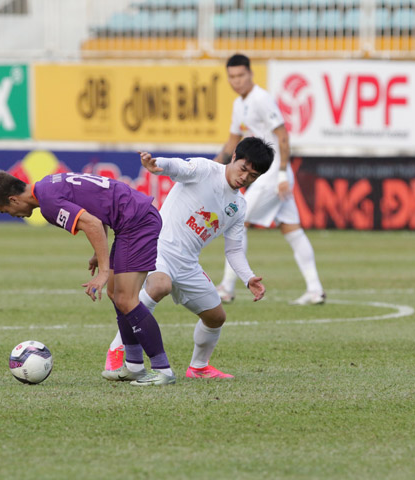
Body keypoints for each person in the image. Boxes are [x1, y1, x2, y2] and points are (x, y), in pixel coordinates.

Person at [0, 170, 175, 386]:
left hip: (137, 222)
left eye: (5, 210)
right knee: (115, 294)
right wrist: (97, 254)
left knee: (126, 299)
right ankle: (134, 365)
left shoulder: (48, 204)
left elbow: (91, 223)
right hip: (132, 220)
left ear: (13, 199)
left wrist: (104, 272)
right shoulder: (47, 184)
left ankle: (162, 369)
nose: (11, 214)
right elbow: (94, 208)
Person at [103, 137, 274, 379]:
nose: (244, 177)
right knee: (160, 285)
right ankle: (118, 348)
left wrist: (248, 278)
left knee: (216, 318)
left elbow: (233, 250)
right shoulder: (206, 170)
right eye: (243, 168)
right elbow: (178, 167)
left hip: (187, 264)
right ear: (234, 157)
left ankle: (199, 367)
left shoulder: (238, 205)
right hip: (158, 247)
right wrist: (156, 163)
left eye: (252, 175)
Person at [214, 53, 325, 306]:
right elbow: (233, 141)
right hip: (273, 176)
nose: (237, 81)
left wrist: (284, 173)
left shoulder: (262, 99)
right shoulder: (238, 104)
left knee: (237, 221)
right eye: (232, 76)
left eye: (241, 75)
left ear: (251, 74)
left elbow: (283, 136)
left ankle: (227, 287)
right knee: (291, 229)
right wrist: (211, 167)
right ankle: (315, 289)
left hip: (274, 175)